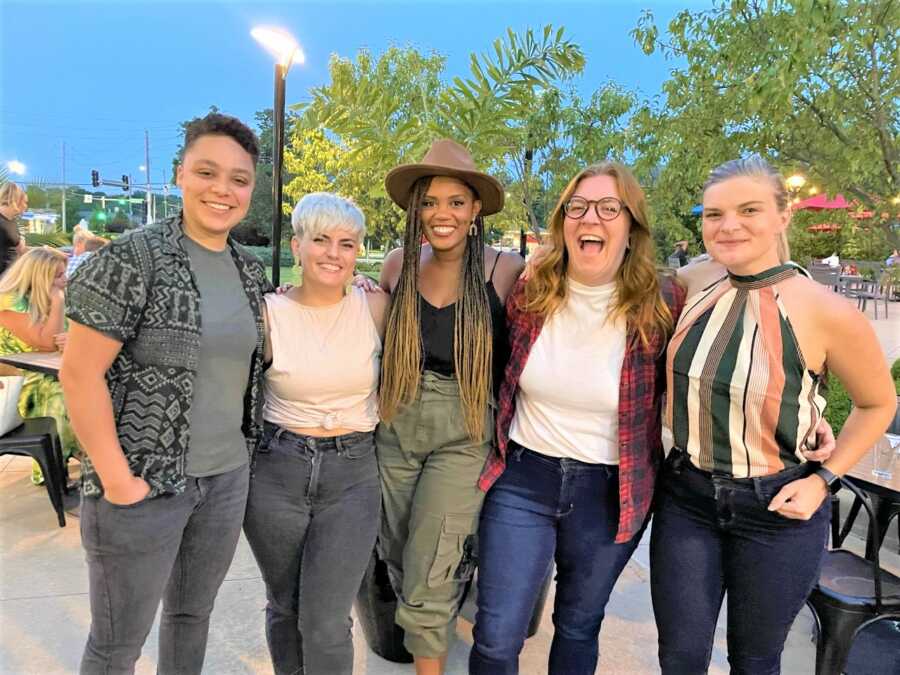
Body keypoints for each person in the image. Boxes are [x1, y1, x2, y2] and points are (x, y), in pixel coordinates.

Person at [651, 157, 896, 674]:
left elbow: (878, 404)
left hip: (777, 510)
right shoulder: (694, 283)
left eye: (748, 209)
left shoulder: (825, 309)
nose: (728, 225)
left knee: (755, 661)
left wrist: (824, 479)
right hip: (686, 499)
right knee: (679, 657)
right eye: (714, 214)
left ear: (783, 216)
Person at [59, 113, 272, 675]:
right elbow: (79, 375)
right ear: (180, 175)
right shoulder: (131, 260)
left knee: (190, 618)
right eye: (207, 171)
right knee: (116, 645)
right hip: (141, 481)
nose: (222, 189)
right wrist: (116, 480)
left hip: (225, 480)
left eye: (239, 178)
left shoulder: (249, 273)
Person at [469, 161, 686, 675]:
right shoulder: (531, 289)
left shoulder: (663, 302)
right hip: (523, 477)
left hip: (612, 490)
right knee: (497, 636)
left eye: (610, 208)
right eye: (578, 207)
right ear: (563, 221)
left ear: (631, 226)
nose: (592, 218)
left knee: (578, 624)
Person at [376, 139, 523, 675]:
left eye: (456, 202)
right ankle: (436, 615)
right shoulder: (396, 267)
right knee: (396, 548)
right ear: (415, 208)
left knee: (431, 561)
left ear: (476, 209)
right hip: (395, 419)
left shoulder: (504, 271)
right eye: (430, 201)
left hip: (463, 424)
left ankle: (429, 649)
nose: (442, 214)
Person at [243, 192, 390, 675]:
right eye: (321, 240)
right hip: (277, 468)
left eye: (346, 243)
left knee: (326, 620)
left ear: (358, 251)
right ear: (297, 246)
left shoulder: (375, 309)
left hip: (352, 473)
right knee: (284, 605)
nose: (333, 253)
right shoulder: (267, 313)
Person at [0, 247, 77, 485]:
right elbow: (46, 342)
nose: (65, 280)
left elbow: (63, 337)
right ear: (38, 277)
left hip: (41, 371)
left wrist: (72, 338)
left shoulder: (46, 297)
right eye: (58, 276)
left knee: (93, 384)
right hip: (14, 382)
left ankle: (84, 455)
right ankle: (51, 468)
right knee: (60, 393)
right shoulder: (9, 301)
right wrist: (58, 300)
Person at [0, 182, 28, 276]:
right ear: (16, 200)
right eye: (24, 202)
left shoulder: (12, 220)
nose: (25, 206)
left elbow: (20, 248)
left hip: (12, 274)